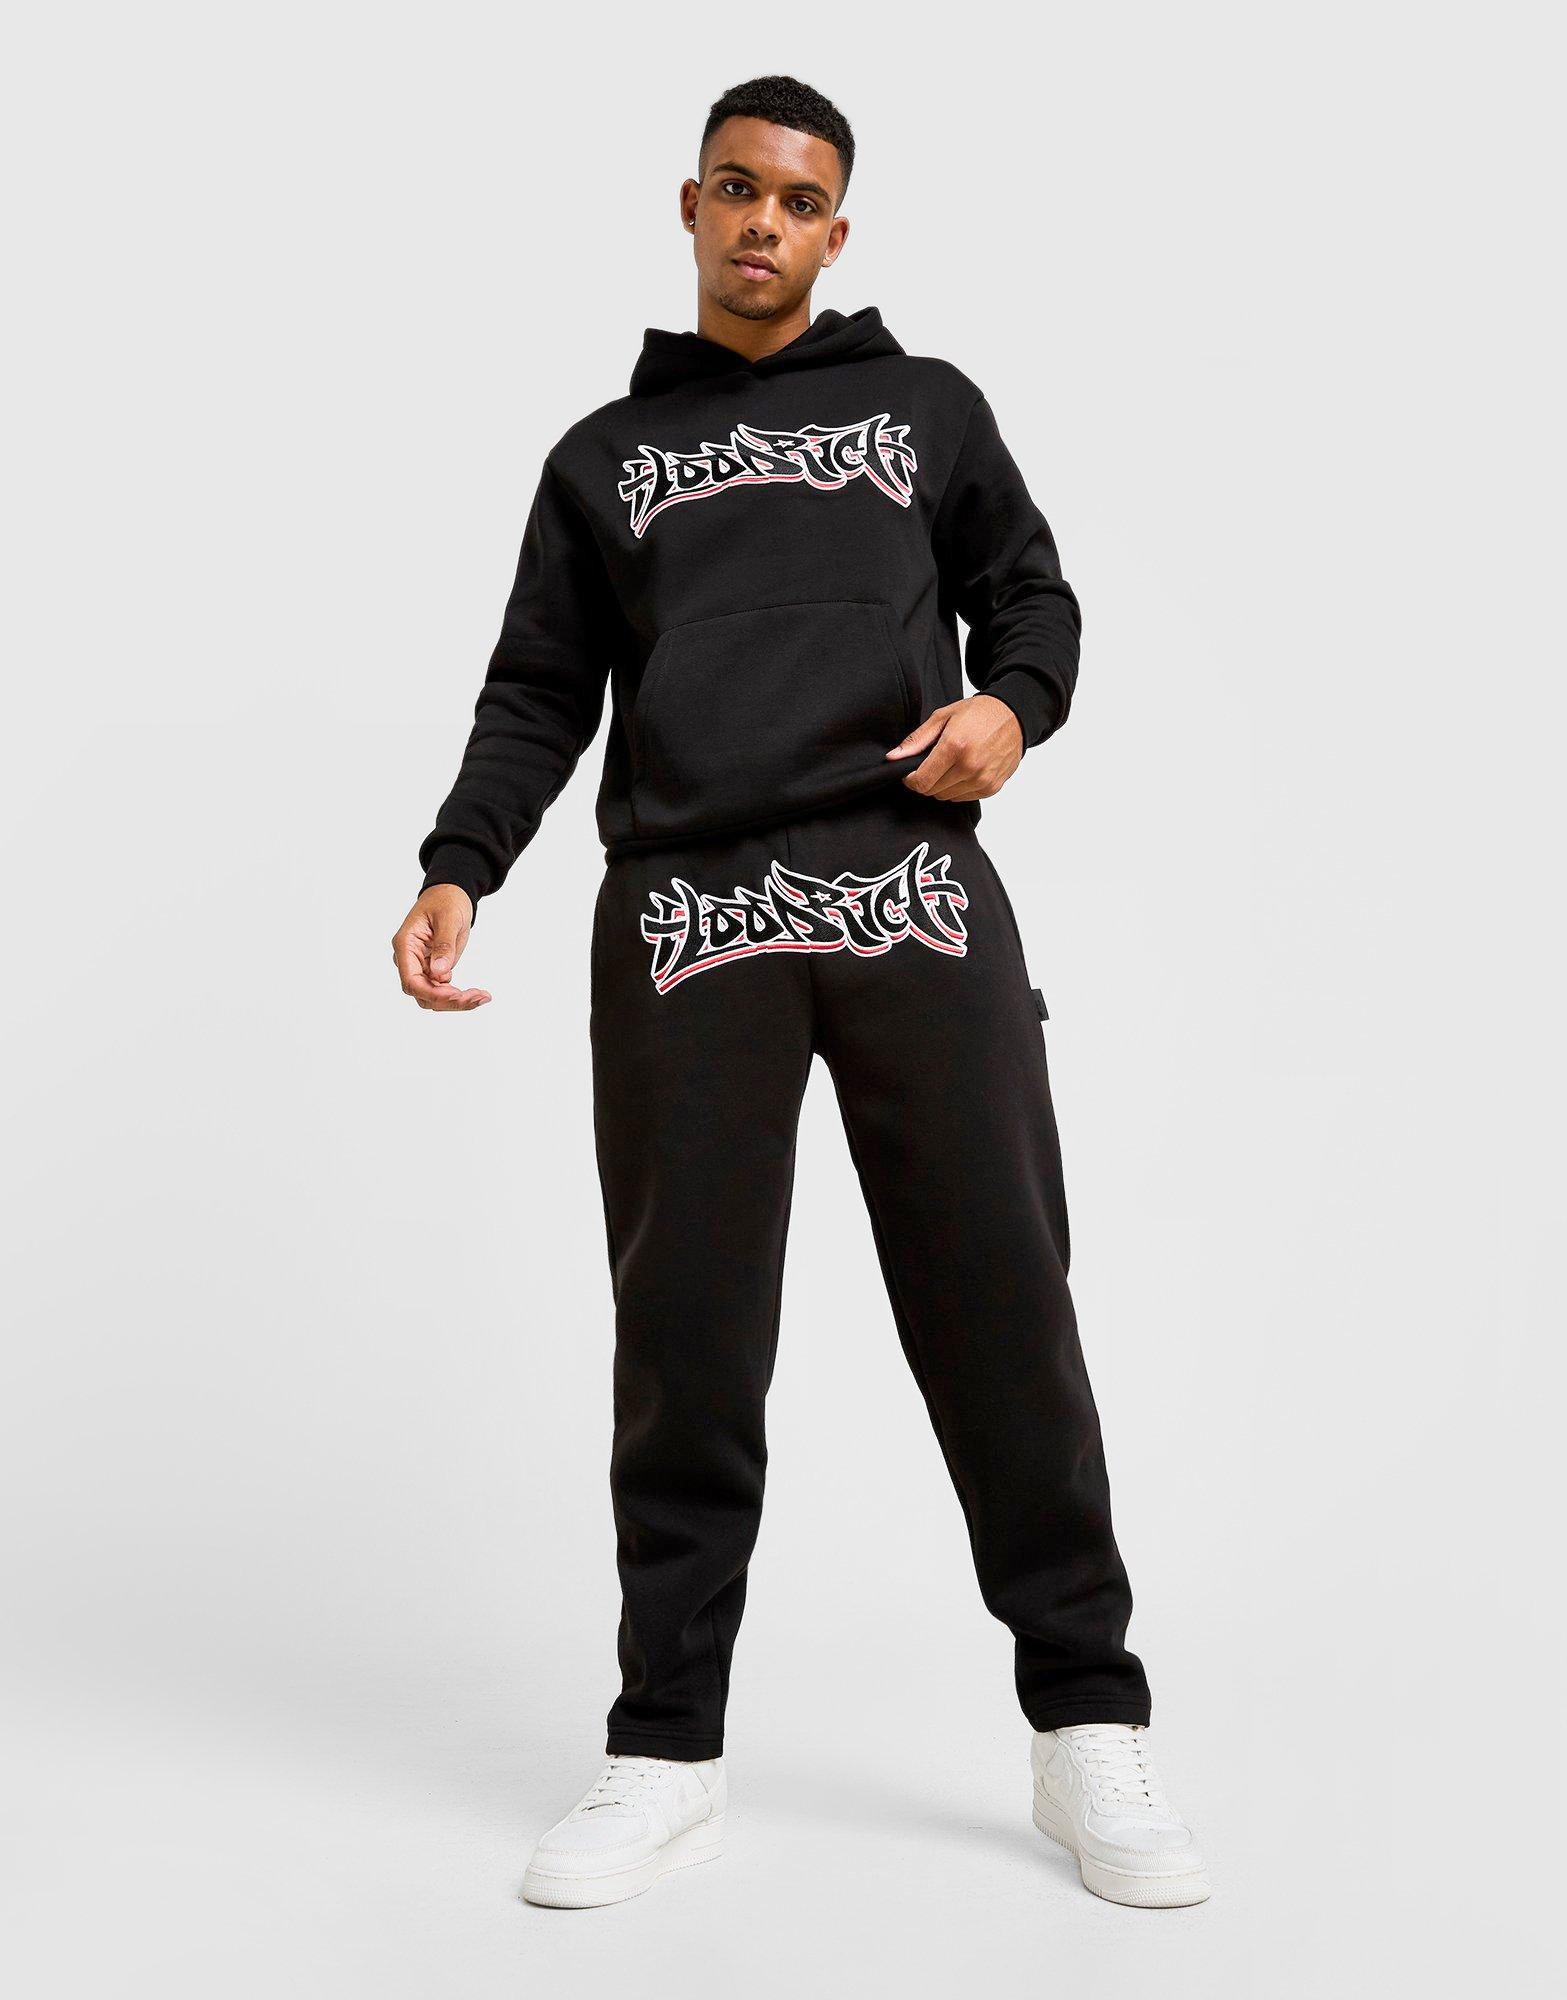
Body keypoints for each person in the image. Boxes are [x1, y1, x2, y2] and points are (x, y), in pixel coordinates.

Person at [393, 74, 1209, 1911]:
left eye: (799, 199)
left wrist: (1011, 710)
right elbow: (540, 691)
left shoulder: (926, 409)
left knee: (1001, 1298)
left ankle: (1087, 1720)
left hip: (908, 882)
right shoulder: (601, 459)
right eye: (736, 188)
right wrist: (460, 863)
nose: (764, 221)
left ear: (839, 231)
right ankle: (664, 1748)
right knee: (685, 1333)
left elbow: (1035, 599)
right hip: (687, 914)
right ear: (689, 205)